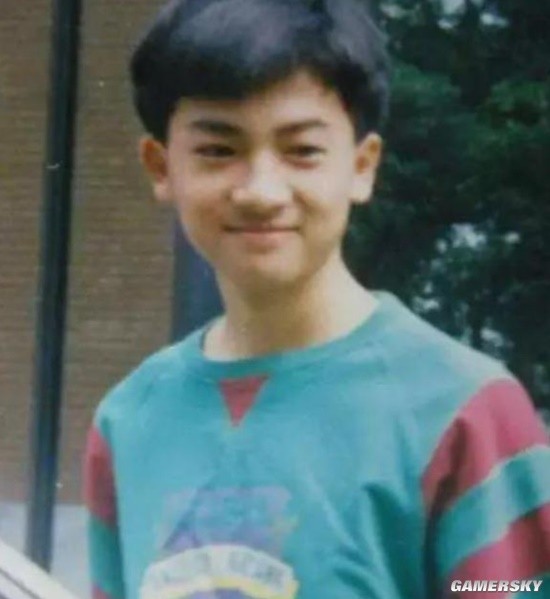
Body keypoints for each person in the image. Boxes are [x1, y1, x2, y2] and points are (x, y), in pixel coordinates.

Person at [83, 0, 550, 597]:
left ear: (362, 166)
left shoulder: (466, 412)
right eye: (218, 150)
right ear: (160, 166)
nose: (260, 191)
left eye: (301, 150)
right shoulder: (130, 422)